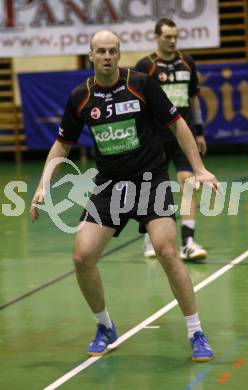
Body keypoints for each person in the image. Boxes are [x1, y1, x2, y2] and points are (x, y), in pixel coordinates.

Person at [30, 30, 217, 362]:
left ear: (119, 54)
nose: (106, 56)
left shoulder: (142, 84)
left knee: (167, 251)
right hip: (109, 185)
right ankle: (104, 326)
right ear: (91, 55)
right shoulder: (80, 97)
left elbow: (178, 124)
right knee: (81, 256)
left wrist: (198, 168)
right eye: (100, 51)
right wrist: (44, 183)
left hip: (150, 180)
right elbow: (62, 144)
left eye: (112, 51)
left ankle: (195, 331)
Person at [135, 18, 208, 261]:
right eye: (167, 36)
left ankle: (188, 241)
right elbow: (138, 105)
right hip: (155, 137)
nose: (173, 40)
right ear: (157, 37)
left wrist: (198, 132)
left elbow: (194, 99)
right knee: (153, 187)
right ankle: (149, 238)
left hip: (182, 134)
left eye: (175, 36)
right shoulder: (146, 66)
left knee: (188, 182)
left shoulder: (188, 62)